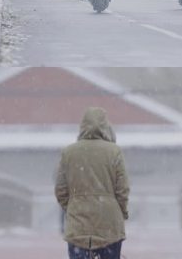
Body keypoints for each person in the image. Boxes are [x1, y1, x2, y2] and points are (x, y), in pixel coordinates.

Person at [55, 107, 129, 259]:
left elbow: (61, 190)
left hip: (78, 224)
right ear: (106, 127)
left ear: (82, 127)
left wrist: (72, 207)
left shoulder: (69, 153)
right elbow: (122, 189)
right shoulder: (114, 151)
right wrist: (121, 212)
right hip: (109, 225)